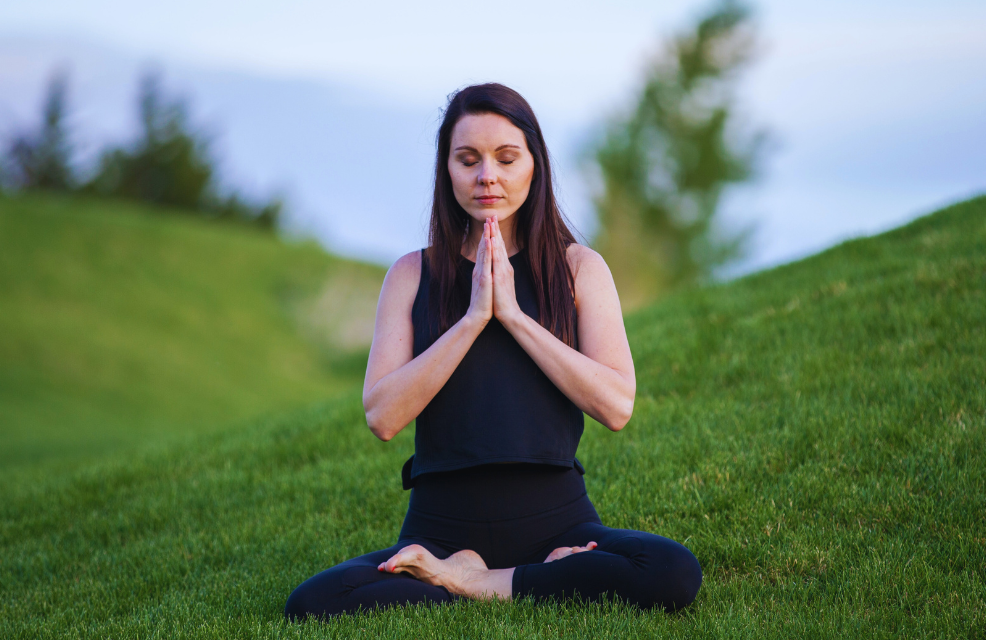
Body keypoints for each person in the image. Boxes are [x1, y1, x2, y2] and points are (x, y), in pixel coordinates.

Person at [284, 83, 701, 619]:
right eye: (468, 159)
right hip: (440, 529)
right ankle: (508, 576)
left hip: (559, 522)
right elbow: (382, 416)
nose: (488, 176)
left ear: (534, 165)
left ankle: (474, 582)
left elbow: (617, 406)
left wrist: (515, 317)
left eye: (507, 157)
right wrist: (475, 316)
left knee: (671, 571)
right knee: (314, 602)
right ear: (447, 169)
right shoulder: (411, 275)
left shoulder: (579, 269)